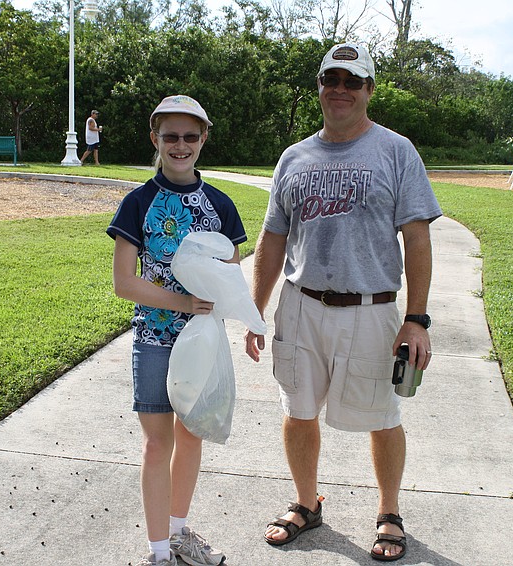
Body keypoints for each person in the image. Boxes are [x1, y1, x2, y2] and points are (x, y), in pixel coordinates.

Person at [244, 43, 442, 562]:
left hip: (372, 311)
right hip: (301, 305)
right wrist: (253, 310)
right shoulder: (294, 157)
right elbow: (272, 240)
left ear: (369, 89)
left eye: (352, 81)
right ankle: (307, 505)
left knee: (383, 414)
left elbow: (416, 239)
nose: (340, 89)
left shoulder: (396, 151)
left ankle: (389, 511)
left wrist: (416, 320)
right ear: (320, 88)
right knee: (298, 410)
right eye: (331, 78)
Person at [107, 95, 246, 566]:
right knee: (157, 442)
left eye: (191, 136)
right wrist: (181, 301)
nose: (180, 145)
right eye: (171, 136)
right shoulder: (138, 202)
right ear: (156, 139)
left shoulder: (221, 205)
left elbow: (232, 271)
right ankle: (158, 553)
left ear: (203, 139)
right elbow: (124, 282)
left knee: (191, 436)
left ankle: (179, 532)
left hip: (202, 343)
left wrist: (244, 315)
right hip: (154, 338)